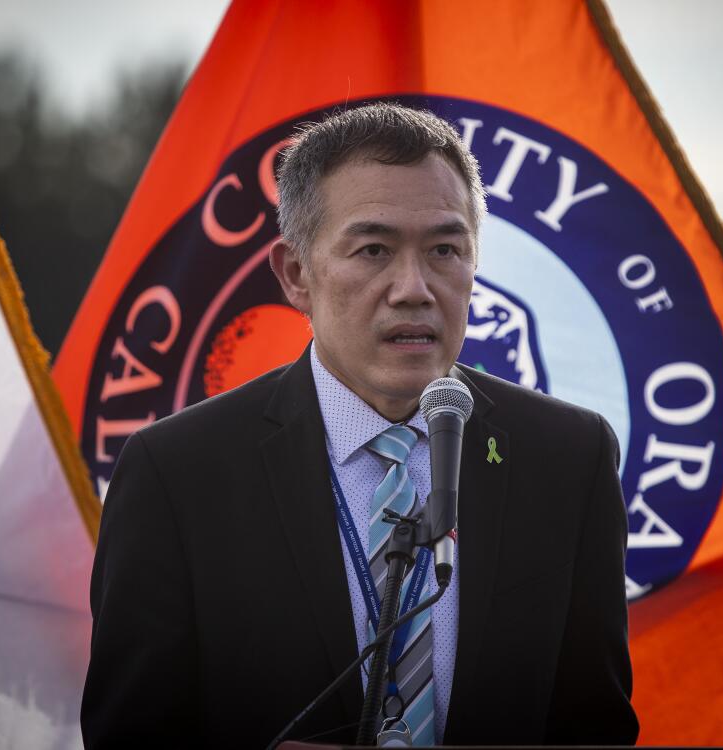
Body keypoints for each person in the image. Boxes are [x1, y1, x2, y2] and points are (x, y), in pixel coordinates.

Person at [81, 103, 638, 747]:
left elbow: (596, 728)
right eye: (373, 249)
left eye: (445, 250)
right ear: (296, 275)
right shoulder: (178, 474)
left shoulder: (569, 460)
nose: (413, 288)